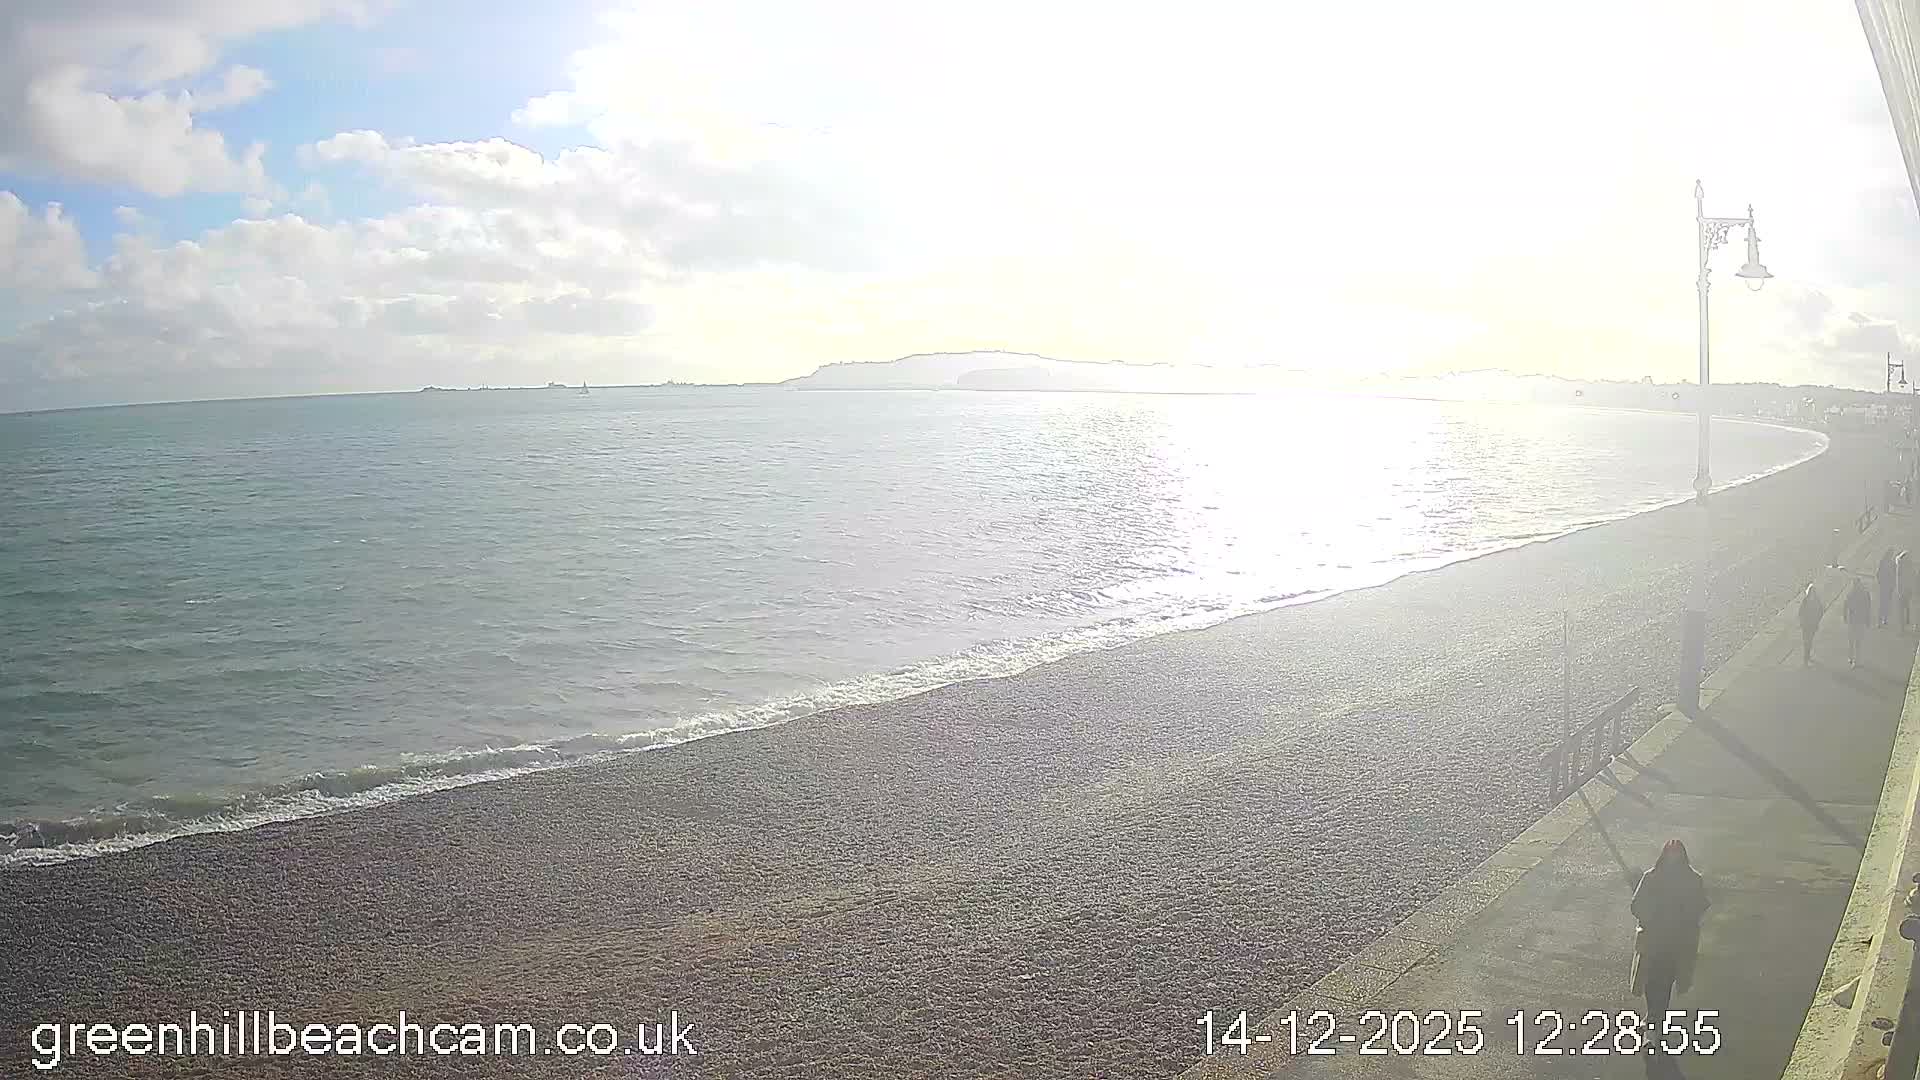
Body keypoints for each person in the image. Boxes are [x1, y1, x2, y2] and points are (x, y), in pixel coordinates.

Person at [1631, 840, 1710, 1034]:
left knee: (1665, 980)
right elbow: (1637, 904)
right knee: (1651, 979)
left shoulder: (1692, 879)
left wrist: (1685, 917)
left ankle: (1657, 1016)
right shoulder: (1651, 877)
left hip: (1675, 942)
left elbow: (1701, 904)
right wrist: (1651, 918)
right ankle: (1654, 1015)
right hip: (1655, 940)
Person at [1847, 577, 1872, 667]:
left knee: (1852, 640)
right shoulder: (1865, 594)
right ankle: (1855, 659)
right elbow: (1868, 608)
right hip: (1859, 620)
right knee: (1857, 641)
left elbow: (1846, 606)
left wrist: (1846, 617)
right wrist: (1867, 620)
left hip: (1853, 620)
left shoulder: (1851, 593)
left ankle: (1852, 657)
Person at [1798, 583, 1823, 665]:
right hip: (1806, 625)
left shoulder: (1806, 601)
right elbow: (1801, 613)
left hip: (1811, 625)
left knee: (1809, 641)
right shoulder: (1814, 601)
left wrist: (1816, 620)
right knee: (1807, 641)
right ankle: (1806, 657)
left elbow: (1820, 611)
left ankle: (1807, 656)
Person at [1881, 549, 1899, 627]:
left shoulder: (1883, 562)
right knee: (1887, 601)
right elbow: (1896, 574)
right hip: (1888, 586)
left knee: (1884, 601)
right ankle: (1884, 618)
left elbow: (1878, 573)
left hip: (1885, 585)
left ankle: (1883, 618)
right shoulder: (1892, 564)